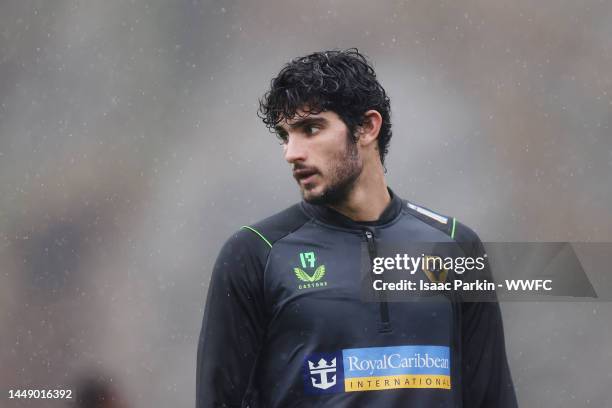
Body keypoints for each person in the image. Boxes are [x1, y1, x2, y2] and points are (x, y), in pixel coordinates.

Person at [196, 49, 517, 407]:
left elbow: (492, 396)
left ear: (366, 127)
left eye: (311, 129)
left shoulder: (456, 245)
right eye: (286, 135)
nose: (291, 152)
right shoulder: (255, 252)